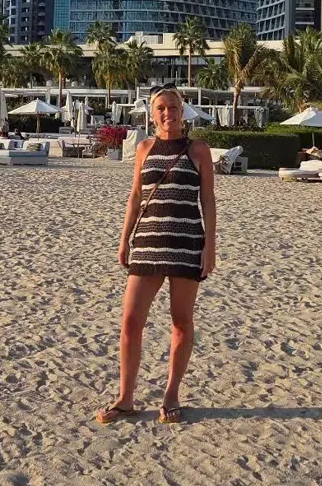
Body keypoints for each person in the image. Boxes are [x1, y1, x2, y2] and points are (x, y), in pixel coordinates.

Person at [96, 85, 217, 426]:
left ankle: (171, 394)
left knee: (181, 323)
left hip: (186, 244)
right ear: (152, 113)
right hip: (147, 244)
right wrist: (124, 241)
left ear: (183, 111)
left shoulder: (198, 150)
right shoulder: (144, 148)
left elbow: (207, 200)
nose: (168, 113)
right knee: (130, 322)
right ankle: (125, 398)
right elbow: (135, 196)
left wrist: (210, 246)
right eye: (162, 108)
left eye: (174, 107)